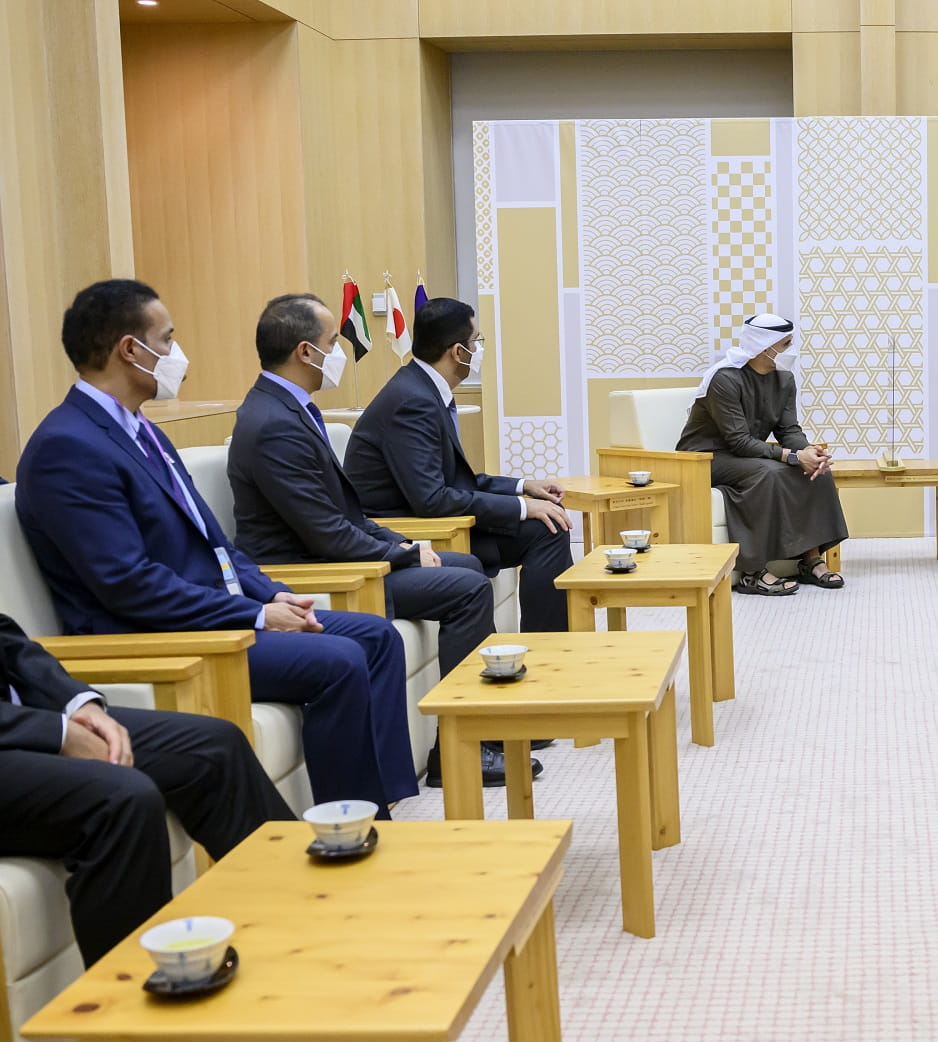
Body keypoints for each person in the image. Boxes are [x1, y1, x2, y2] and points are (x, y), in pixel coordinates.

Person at [15, 279, 417, 811]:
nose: (176, 354)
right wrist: (252, 617)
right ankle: (348, 823)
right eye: (167, 339)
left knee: (375, 636)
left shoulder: (141, 430)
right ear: (130, 350)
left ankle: (381, 808)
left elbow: (217, 545)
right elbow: (130, 586)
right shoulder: (68, 446)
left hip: (219, 613)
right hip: (161, 638)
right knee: (340, 658)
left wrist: (271, 596)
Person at [229, 294, 530, 789]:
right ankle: (463, 749)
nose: (340, 352)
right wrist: (402, 551)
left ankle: (474, 738)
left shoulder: (290, 409)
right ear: (306, 352)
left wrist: (401, 543)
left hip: (337, 558)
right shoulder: (272, 425)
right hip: (313, 573)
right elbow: (325, 532)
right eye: (333, 343)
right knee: (466, 585)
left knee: (467, 569)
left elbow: (345, 513)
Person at [0, 612, 294, 964]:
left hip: (22, 717)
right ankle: (134, 998)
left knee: (215, 745)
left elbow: (6, 639)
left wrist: (79, 705)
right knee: (121, 799)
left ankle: (302, 914)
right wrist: (56, 734)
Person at [345, 298, 575, 632]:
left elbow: (453, 480)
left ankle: (549, 646)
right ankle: (547, 649)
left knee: (549, 524)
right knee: (545, 526)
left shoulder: (423, 389)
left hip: (435, 518)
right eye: (476, 342)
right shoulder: (412, 402)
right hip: (409, 529)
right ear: (457, 352)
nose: (479, 350)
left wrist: (522, 487)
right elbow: (432, 499)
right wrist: (521, 508)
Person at [677, 314, 850, 595]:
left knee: (813, 473)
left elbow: (788, 429)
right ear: (763, 346)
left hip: (746, 455)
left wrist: (807, 452)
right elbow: (739, 441)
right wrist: (792, 457)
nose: (790, 351)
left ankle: (811, 559)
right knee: (768, 474)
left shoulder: (784, 379)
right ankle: (752, 572)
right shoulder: (725, 379)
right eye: (785, 344)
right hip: (705, 458)